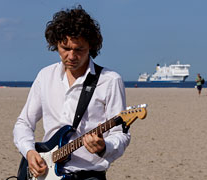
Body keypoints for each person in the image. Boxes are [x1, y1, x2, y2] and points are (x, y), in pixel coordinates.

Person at [13, 5, 130, 180]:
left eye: (79, 49)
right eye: (65, 48)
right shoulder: (45, 76)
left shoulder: (110, 80)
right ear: (56, 44)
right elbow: (24, 123)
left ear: (91, 46)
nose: (72, 56)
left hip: (88, 175)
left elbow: (121, 134)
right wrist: (29, 152)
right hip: (46, 173)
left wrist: (104, 146)